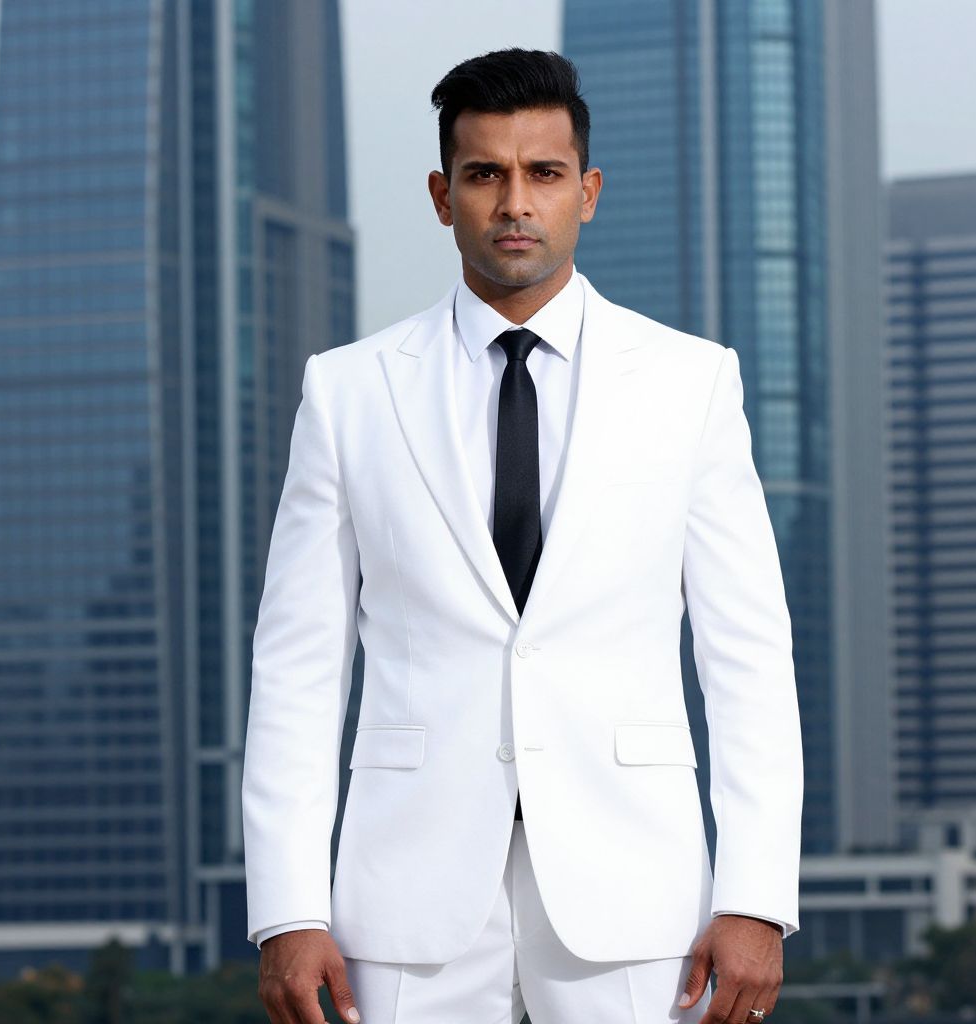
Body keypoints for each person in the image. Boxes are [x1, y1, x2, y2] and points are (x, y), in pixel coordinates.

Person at [242, 47, 803, 1024]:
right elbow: (296, 670)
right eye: (483, 174)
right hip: (403, 901)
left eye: (542, 173)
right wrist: (287, 908)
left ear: (585, 192)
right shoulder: (348, 392)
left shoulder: (689, 382)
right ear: (440, 193)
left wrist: (755, 894)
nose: (513, 202)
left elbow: (747, 657)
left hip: (635, 895)